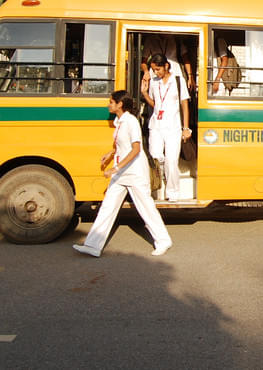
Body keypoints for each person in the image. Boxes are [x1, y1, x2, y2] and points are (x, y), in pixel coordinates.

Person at [73, 90, 173, 257]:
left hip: (134, 173)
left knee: (146, 208)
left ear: (120, 104)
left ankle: (163, 241)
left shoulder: (131, 121)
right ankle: (92, 245)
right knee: (107, 207)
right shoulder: (119, 121)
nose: (108, 105)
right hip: (121, 173)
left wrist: (116, 168)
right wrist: (111, 153)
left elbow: (136, 149)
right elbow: (121, 144)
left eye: (111, 102)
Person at [140, 53, 192, 201]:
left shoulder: (178, 80)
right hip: (156, 125)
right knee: (156, 156)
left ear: (166, 66)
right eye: (153, 70)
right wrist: (144, 93)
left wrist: (186, 128)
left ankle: (172, 193)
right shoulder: (154, 82)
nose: (155, 73)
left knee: (172, 161)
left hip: (173, 126)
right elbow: (155, 104)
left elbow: (184, 105)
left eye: (158, 69)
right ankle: (159, 183)